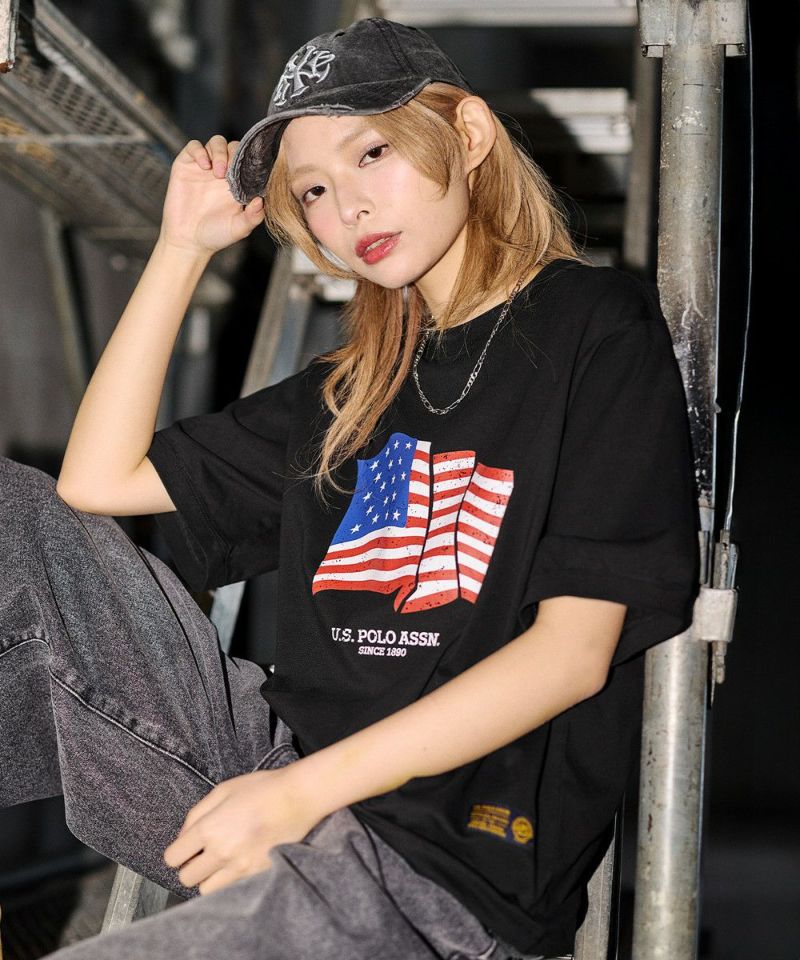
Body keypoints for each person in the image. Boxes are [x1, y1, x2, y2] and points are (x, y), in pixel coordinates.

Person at [0, 16, 700, 960]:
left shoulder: (595, 326)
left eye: (373, 153)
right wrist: (181, 249)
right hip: (274, 779)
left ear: (470, 134)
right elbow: (94, 483)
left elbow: (572, 655)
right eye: (315, 190)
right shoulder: (351, 387)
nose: (352, 207)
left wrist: (298, 797)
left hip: (434, 869)